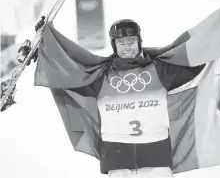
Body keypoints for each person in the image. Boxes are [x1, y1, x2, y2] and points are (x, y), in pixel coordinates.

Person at [33, 18, 205, 177]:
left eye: (131, 42)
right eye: (121, 44)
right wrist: (48, 48)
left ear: (139, 42)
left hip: (156, 153)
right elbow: (70, 73)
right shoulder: (101, 76)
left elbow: (193, 65)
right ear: (114, 46)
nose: (127, 47)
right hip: (117, 155)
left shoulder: (159, 70)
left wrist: (213, 42)